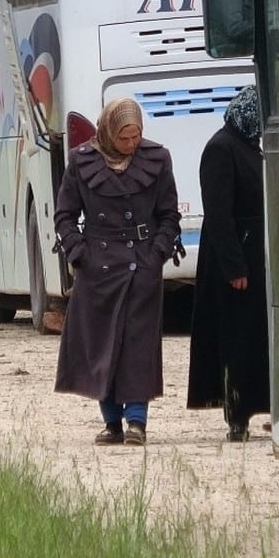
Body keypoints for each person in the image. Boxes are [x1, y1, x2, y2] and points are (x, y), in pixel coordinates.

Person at [53, 98, 181, 446]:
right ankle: (112, 422)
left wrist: (157, 254)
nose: (131, 145)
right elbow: (64, 215)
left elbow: (169, 214)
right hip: (98, 267)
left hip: (142, 264)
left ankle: (137, 419)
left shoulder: (157, 159)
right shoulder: (82, 162)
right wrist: (80, 254)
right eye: (124, 139)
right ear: (109, 131)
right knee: (101, 344)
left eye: (135, 137)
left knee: (138, 345)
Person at [187, 85, 270, 442]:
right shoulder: (221, 148)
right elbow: (220, 214)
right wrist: (235, 267)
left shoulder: (250, 145)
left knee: (256, 338)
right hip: (234, 261)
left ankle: (262, 406)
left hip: (255, 254)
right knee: (236, 341)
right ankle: (237, 414)